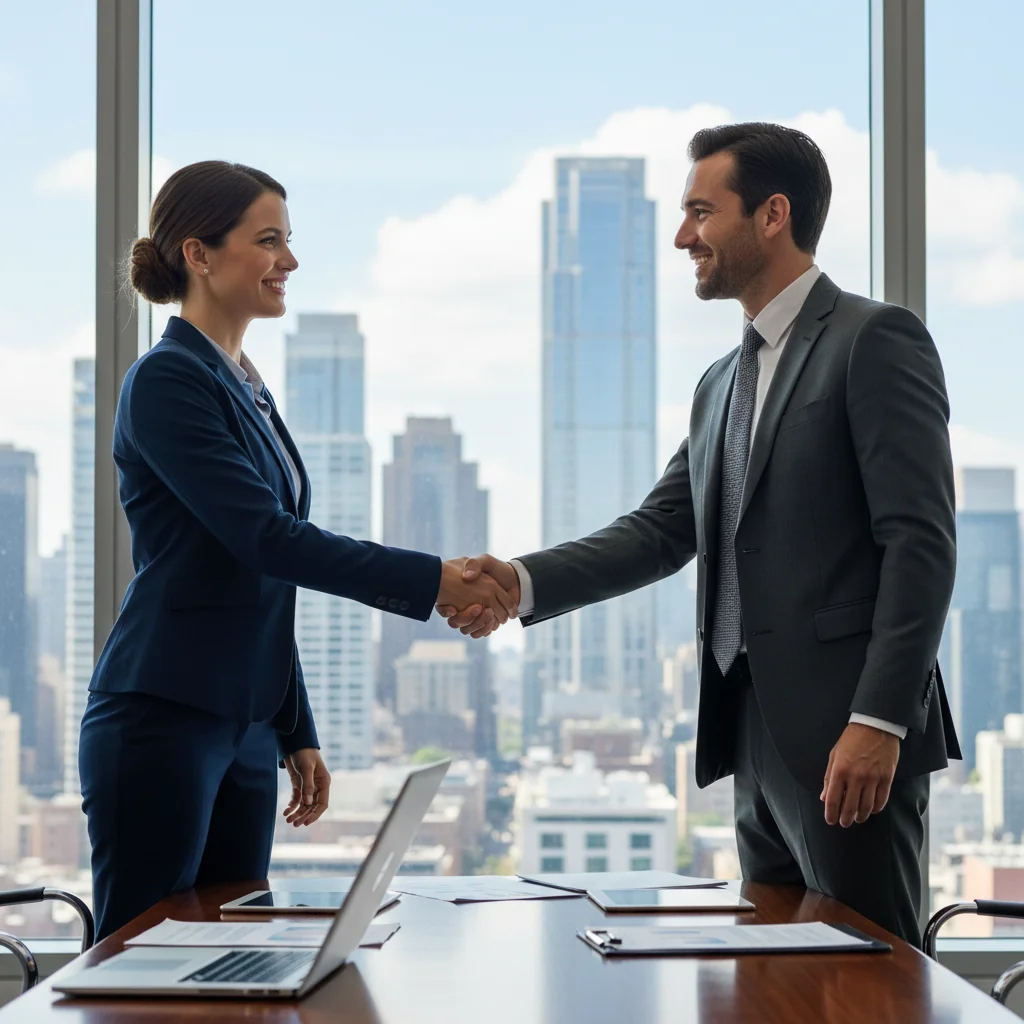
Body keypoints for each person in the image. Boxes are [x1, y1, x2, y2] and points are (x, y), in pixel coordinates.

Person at [442, 123, 960, 946]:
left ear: (771, 215)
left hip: (848, 737)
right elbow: (658, 531)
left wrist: (880, 720)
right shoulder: (723, 381)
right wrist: (517, 579)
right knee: (776, 977)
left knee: (873, 978)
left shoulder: (874, 339)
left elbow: (922, 543)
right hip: (751, 734)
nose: (683, 236)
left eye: (699, 212)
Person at [79, 160, 515, 940]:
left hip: (244, 723)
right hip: (164, 715)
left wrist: (293, 726)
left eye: (290, 240)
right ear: (198, 255)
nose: (290, 261)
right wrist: (435, 581)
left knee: (235, 946)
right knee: (140, 962)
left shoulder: (243, 385)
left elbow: (258, 583)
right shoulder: (166, 382)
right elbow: (268, 539)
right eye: (270, 240)